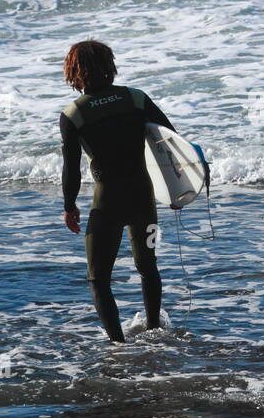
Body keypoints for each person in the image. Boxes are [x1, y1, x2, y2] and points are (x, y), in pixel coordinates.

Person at [59, 39, 176, 342]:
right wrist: (180, 189)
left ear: (75, 72)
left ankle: (117, 346)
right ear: (109, 66)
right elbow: (171, 142)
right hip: (142, 198)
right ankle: (154, 331)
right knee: (148, 267)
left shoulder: (74, 114)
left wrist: (69, 205)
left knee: (99, 279)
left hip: (108, 203)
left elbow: (71, 167)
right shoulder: (136, 99)